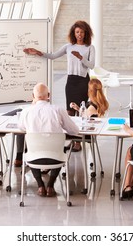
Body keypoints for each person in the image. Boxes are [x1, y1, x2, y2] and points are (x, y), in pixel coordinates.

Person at [23, 20, 95, 151]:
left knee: (81, 110)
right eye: (77, 32)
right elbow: (52, 56)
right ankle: (71, 138)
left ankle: (78, 142)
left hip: (83, 81)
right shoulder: (68, 46)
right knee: (69, 110)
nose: (79, 34)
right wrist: (37, 52)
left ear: (86, 33)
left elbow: (92, 65)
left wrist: (81, 58)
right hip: (71, 81)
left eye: (82, 32)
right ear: (74, 33)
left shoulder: (89, 48)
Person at [18, 83, 80, 197]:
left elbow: (21, 128)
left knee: (31, 150)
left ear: (33, 96)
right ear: (49, 95)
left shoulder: (26, 112)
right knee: (59, 149)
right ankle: (50, 185)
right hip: (56, 158)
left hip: (34, 159)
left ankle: (40, 185)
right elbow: (74, 131)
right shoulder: (58, 110)